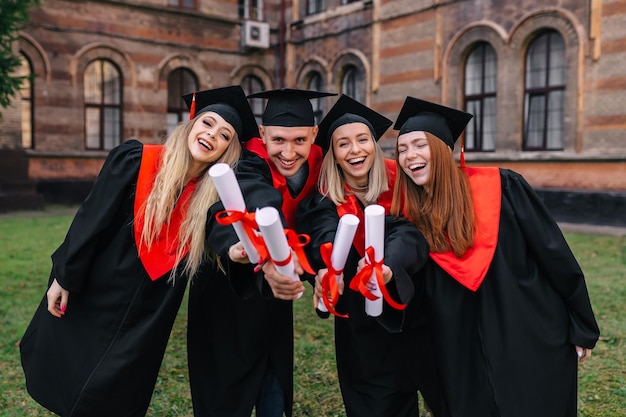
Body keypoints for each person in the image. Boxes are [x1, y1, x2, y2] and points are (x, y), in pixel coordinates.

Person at [19, 85, 258, 417]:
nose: (212, 135)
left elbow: (223, 232)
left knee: (119, 389)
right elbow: (92, 219)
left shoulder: (212, 198)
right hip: (101, 287)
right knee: (73, 371)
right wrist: (64, 276)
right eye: (208, 124)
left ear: (227, 150)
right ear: (191, 124)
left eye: (224, 135)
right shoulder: (137, 160)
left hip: (151, 307)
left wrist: (235, 250)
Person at [390, 96, 601, 417]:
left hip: (525, 328)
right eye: (402, 149)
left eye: (419, 144)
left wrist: (581, 324)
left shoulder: (502, 186)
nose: (409, 156)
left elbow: (553, 253)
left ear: (446, 150)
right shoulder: (410, 216)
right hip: (459, 346)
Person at [296, 94, 449, 417]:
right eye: (343, 144)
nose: (355, 150)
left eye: (362, 139)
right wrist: (327, 268)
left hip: (421, 314)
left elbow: (410, 234)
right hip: (364, 329)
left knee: (448, 398)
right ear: (334, 156)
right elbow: (322, 235)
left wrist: (390, 266)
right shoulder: (324, 202)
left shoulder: (404, 185)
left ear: (374, 146)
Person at [188, 87, 336, 417]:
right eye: (278, 140)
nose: (288, 152)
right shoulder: (247, 159)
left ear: (314, 134)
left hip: (274, 292)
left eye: (300, 140)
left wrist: (323, 265)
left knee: (273, 378)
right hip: (227, 284)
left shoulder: (321, 162)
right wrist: (271, 248)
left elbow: (321, 212)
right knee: (224, 388)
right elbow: (253, 197)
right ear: (263, 134)